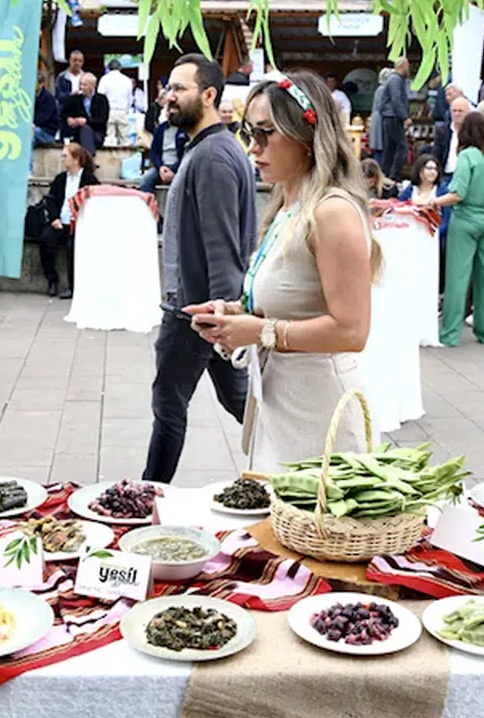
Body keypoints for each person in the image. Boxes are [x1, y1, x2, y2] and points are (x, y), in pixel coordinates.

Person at [185, 70, 377, 471]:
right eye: (247, 133)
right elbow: (288, 307)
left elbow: (352, 331)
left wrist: (261, 332)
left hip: (319, 415)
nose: (253, 147)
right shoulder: (287, 207)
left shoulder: (332, 211)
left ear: (306, 136)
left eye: (265, 133)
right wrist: (235, 316)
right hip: (280, 405)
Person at [142, 54, 256, 483]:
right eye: (169, 89)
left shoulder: (212, 158)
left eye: (179, 89)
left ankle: (148, 495)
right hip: (200, 309)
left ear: (208, 95)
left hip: (194, 312)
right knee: (242, 403)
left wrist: (220, 317)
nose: (168, 98)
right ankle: (297, 465)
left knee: (168, 402)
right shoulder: (209, 151)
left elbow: (222, 243)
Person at [428, 111, 484, 345]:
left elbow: (458, 193)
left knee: (458, 277)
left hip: (466, 221)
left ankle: (451, 334)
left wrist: (433, 201)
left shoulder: (466, 156)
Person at [40, 142, 98, 298]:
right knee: (46, 239)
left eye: (65, 156)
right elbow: (51, 201)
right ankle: (52, 279)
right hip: (61, 222)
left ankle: (74, 286)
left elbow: (94, 203)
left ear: (76, 159)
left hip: (78, 224)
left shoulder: (88, 178)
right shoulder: (60, 179)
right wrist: (54, 218)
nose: (62, 159)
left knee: (73, 247)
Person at [59, 73, 109, 155]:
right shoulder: (75, 98)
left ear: (93, 86)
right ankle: (90, 159)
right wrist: (69, 118)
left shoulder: (101, 99)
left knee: (86, 129)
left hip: (96, 133)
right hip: (77, 133)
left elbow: (102, 119)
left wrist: (86, 121)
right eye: (81, 84)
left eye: (85, 85)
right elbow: (63, 112)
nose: (82, 87)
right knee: (82, 131)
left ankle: (89, 157)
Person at [378, 57, 411, 180]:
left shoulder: (392, 79)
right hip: (393, 116)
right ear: (403, 66)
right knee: (402, 147)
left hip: (389, 116)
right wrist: (404, 117)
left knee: (390, 148)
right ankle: (394, 175)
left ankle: (385, 174)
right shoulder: (396, 80)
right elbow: (396, 99)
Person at [138, 117, 189, 193]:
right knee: (145, 181)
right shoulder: (160, 129)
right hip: (161, 167)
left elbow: (187, 154)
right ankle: (150, 203)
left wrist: (173, 170)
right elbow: (154, 152)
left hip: (181, 167)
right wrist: (160, 167)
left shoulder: (186, 130)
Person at [432, 96, 472, 182]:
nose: (457, 114)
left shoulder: (473, 132)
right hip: (446, 176)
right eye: (454, 111)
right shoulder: (442, 131)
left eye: (460, 111)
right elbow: (436, 156)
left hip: (467, 177)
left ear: (468, 113)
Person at [97, 59, 134, 145]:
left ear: (109, 68)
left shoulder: (104, 79)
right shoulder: (127, 80)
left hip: (108, 111)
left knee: (109, 139)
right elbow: (130, 99)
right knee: (125, 139)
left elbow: (100, 97)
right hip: (122, 111)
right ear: (120, 68)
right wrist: (126, 110)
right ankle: (126, 157)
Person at [33, 70, 60, 146]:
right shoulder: (30, 95)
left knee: (29, 133)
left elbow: (43, 118)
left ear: (41, 84)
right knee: (30, 140)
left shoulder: (48, 98)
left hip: (47, 133)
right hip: (34, 130)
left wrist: (30, 124)